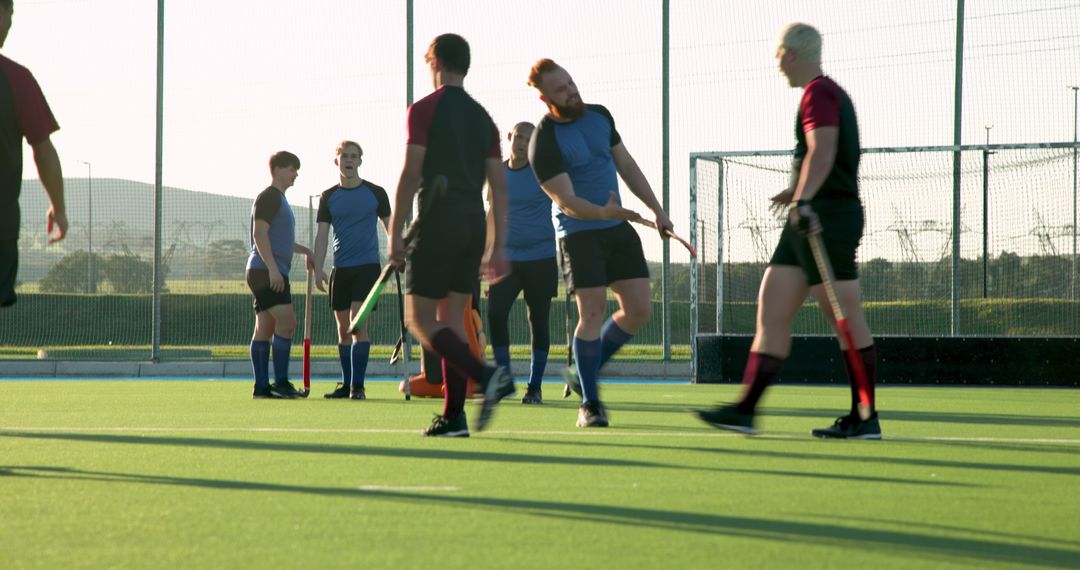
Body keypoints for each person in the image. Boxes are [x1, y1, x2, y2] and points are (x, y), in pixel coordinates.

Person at [695, 23, 881, 439]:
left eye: (778, 56)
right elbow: (821, 157)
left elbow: (824, 148)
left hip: (825, 218)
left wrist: (804, 199)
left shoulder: (820, 92)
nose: (777, 66)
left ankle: (865, 417)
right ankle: (745, 410)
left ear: (791, 54)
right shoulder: (818, 93)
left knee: (846, 318)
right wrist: (796, 191)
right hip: (809, 214)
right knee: (772, 307)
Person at [527, 59, 673, 428]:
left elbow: (627, 165)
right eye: (562, 90)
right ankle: (589, 404)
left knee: (639, 309)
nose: (572, 91)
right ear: (546, 98)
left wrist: (656, 210)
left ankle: (582, 371)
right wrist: (605, 213)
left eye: (572, 83)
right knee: (591, 313)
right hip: (578, 234)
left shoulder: (600, 116)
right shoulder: (543, 142)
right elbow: (565, 202)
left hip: (616, 225)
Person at [389, 33, 513, 437]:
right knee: (453, 323)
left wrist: (394, 231)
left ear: (436, 62)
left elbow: (411, 174)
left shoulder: (424, 109)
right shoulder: (484, 118)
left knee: (420, 320)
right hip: (472, 224)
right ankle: (455, 417)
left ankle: (485, 374)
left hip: (437, 222)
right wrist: (497, 244)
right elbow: (498, 186)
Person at [1, 0, 67, 308]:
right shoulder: (15, 80)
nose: (9, 24)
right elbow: (42, 148)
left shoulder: (17, 79)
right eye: (8, 14)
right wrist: (58, 207)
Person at [312, 140, 391, 400]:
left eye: (354, 156)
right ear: (336, 161)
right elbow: (322, 236)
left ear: (360, 161)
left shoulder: (376, 193)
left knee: (358, 326)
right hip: (340, 269)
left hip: (368, 267)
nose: (349, 160)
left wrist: (397, 255)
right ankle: (346, 385)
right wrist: (318, 267)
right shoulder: (328, 196)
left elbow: (390, 228)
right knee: (343, 329)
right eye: (344, 155)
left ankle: (358, 386)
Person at [486, 122, 558, 405]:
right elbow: (491, 212)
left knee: (537, 320)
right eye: (519, 137)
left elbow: (565, 201)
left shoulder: (544, 173)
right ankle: (504, 379)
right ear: (510, 138)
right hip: (506, 259)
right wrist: (486, 252)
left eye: (529, 140)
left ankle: (535, 387)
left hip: (541, 258)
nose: (522, 143)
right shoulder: (497, 174)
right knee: (495, 314)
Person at [246, 151, 314, 399]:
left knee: (265, 328)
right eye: (291, 169)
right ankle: (281, 383)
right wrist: (274, 269)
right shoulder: (269, 197)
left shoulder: (280, 199)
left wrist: (305, 250)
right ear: (277, 170)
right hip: (265, 271)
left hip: (267, 270)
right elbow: (259, 235)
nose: (295, 174)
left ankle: (262, 387)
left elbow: (280, 239)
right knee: (288, 323)